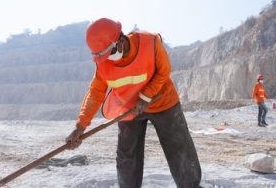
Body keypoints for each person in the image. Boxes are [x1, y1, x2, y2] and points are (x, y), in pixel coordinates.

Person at [65, 18, 202, 188]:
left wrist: (146, 97)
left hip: (163, 102)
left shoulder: (150, 43)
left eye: (109, 54)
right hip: (129, 110)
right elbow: (95, 93)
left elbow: (164, 71)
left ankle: (191, 186)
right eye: (103, 57)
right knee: (127, 156)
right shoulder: (104, 64)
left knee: (180, 148)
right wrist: (80, 126)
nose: (108, 60)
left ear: (120, 41)